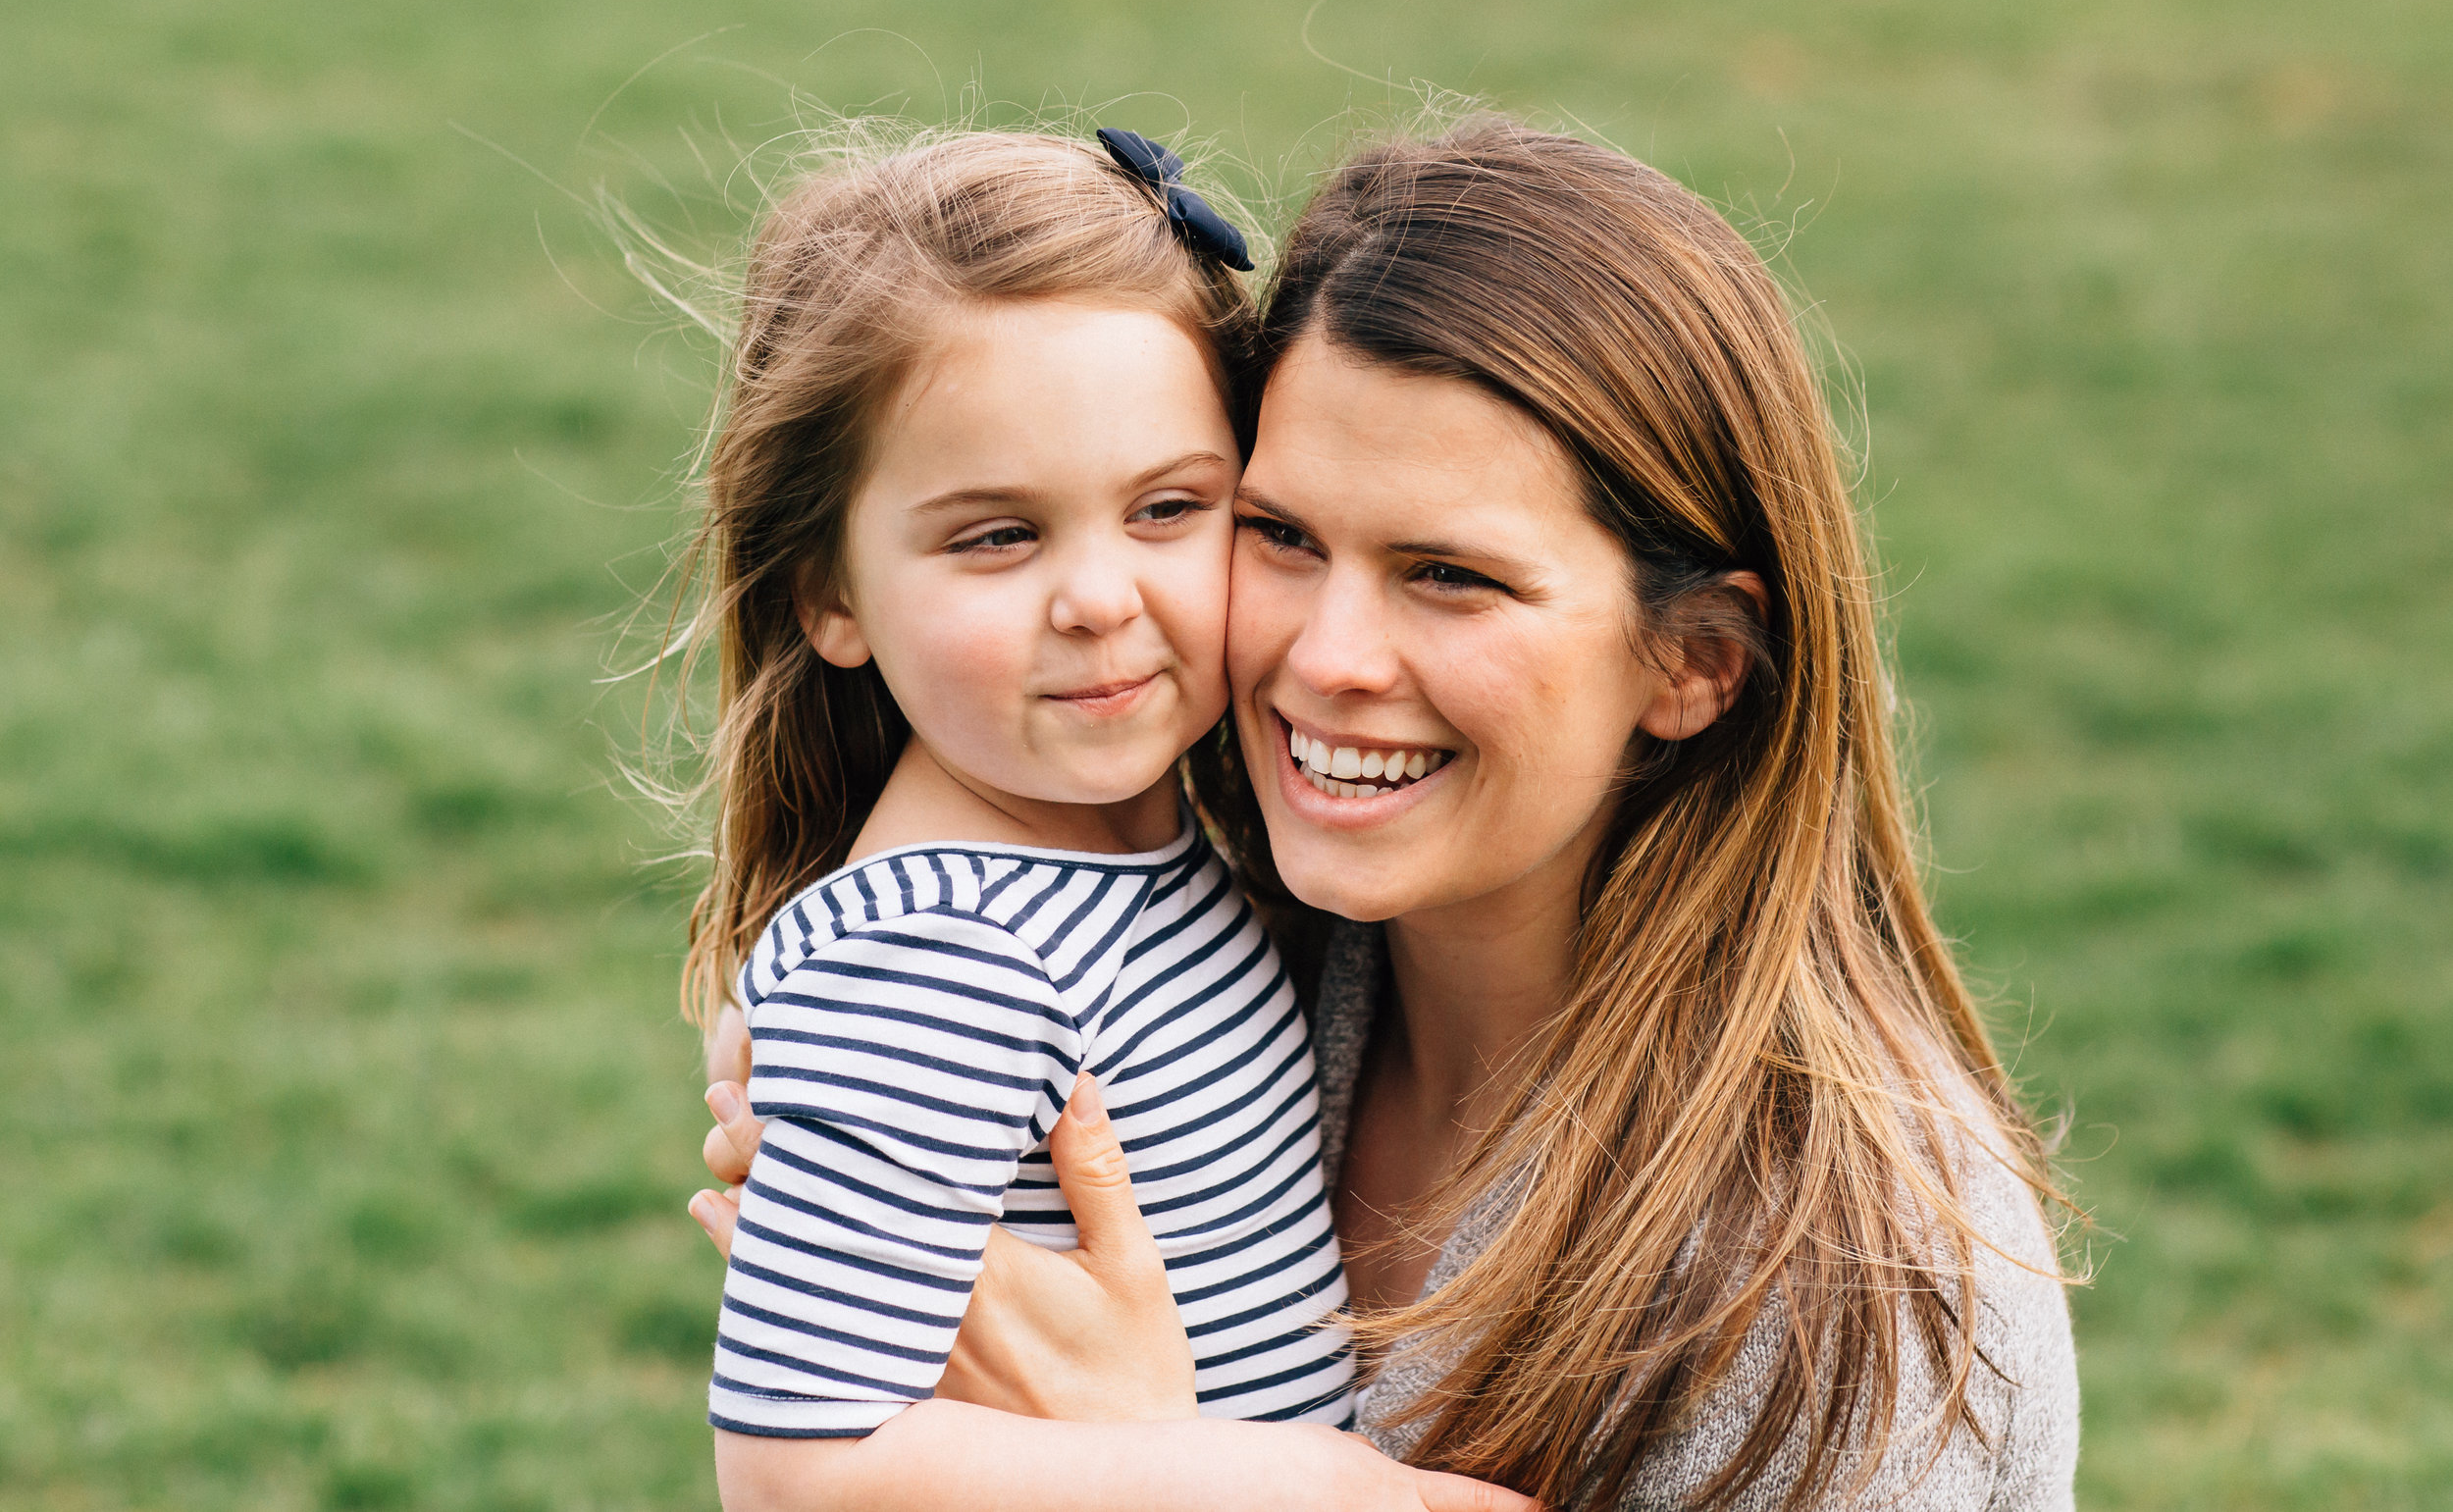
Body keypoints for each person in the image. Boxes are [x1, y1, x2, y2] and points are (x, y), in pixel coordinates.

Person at [695, 119, 2081, 1509]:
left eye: (1449, 574)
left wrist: (1179, 1466)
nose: (1325, 658)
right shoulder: (1245, 949)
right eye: (1285, 535)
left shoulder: (1838, 1292)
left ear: (1693, 662)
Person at [672, 128, 1532, 1512]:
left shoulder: (1150, 854)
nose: (1096, 598)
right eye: (998, 535)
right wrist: (1307, 1493)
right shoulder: (938, 953)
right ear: (828, 592)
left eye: (1168, 509)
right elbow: (795, 1465)